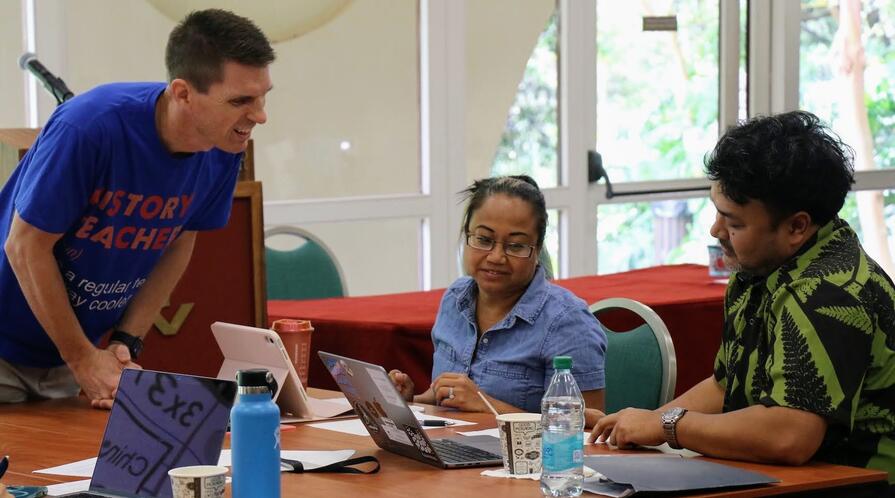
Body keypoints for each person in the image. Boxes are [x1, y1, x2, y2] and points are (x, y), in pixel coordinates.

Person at [591, 111, 895, 490]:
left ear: (797, 227)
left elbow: (790, 435)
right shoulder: (762, 267)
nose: (715, 230)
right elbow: (726, 386)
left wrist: (669, 426)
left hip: (857, 481)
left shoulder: (827, 292)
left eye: (733, 223)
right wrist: (639, 425)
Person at [0, 9, 275, 408]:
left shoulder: (223, 146)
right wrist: (81, 357)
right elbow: (25, 248)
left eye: (264, 96)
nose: (260, 115)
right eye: (241, 100)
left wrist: (125, 342)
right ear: (182, 93)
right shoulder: (90, 127)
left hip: (62, 353)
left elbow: (180, 240)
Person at [389, 176, 607, 424]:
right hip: (453, 451)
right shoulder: (455, 299)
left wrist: (487, 405)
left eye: (515, 246)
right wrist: (412, 400)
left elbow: (587, 428)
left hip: (525, 461)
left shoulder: (567, 321)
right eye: (483, 240)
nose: (496, 257)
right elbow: (450, 397)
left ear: (537, 250)